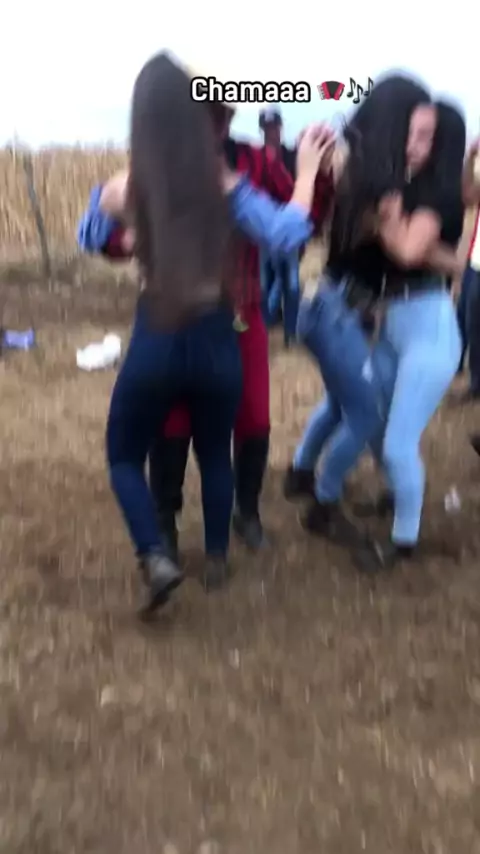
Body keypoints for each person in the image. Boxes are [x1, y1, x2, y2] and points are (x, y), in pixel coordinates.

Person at [80, 108, 334, 567]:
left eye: (222, 113)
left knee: (253, 418)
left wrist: (319, 175)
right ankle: (166, 526)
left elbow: (301, 219)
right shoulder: (163, 165)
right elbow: (105, 233)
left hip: (242, 309)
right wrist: (129, 241)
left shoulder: (254, 162)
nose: (216, 123)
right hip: (181, 316)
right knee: (172, 422)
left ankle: (245, 514)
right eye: (205, 112)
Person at [291, 78, 465, 572]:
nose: (416, 145)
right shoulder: (397, 182)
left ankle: (403, 541)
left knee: (396, 440)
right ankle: (331, 495)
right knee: (368, 418)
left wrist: (383, 218)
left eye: (427, 136)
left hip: (428, 331)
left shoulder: (434, 194)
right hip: (393, 324)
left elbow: (409, 250)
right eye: (412, 132)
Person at [258, 108, 303, 346]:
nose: (271, 132)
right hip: (263, 232)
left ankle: (291, 335)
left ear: (280, 128)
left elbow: (301, 189)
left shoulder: (291, 156)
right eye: (267, 128)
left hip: (289, 230)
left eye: (274, 127)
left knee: (292, 285)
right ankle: (263, 334)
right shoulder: (256, 159)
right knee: (264, 285)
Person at [456, 139, 480, 394]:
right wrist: (470, 157)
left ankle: (476, 385)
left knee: (475, 324)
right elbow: (468, 196)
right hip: (475, 261)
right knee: (463, 317)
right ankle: (460, 369)